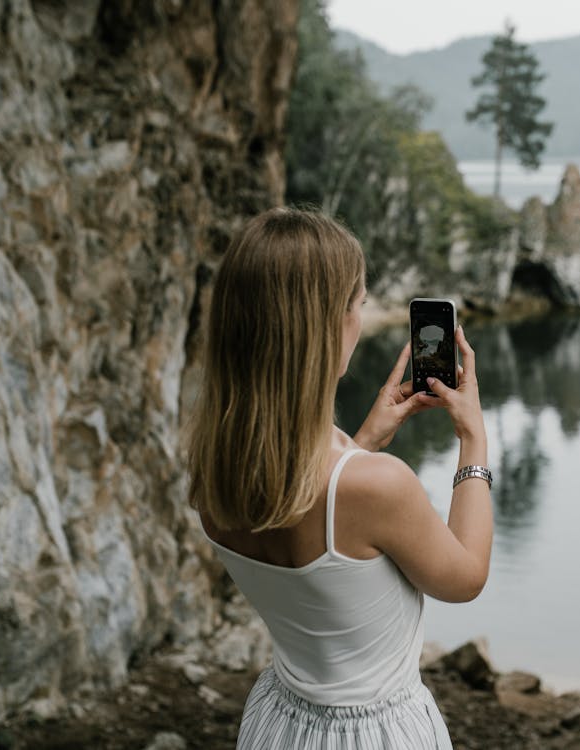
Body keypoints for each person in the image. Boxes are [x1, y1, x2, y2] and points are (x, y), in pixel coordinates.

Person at [186, 207, 493, 749]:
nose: (360, 317)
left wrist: (362, 441)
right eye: (359, 305)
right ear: (327, 326)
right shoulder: (377, 488)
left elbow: (306, 508)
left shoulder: (213, 465)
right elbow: (465, 577)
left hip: (280, 723)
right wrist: (473, 438)